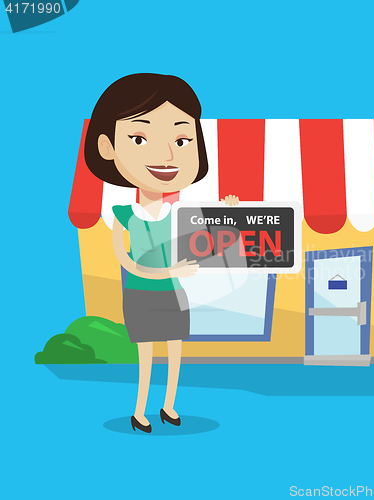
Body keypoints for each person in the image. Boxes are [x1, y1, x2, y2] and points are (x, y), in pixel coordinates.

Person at [84, 73, 239, 433]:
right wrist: (167, 272)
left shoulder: (183, 214)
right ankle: (140, 410)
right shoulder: (122, 216)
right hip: (140, 295)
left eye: (183, 139)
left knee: (174, 351)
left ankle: (169, 405)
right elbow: (126, 262)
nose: (167, 156)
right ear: (108, 148)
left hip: (175, 295)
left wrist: (229, 212)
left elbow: (213, 244)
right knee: (146, 355)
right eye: (139, 138)